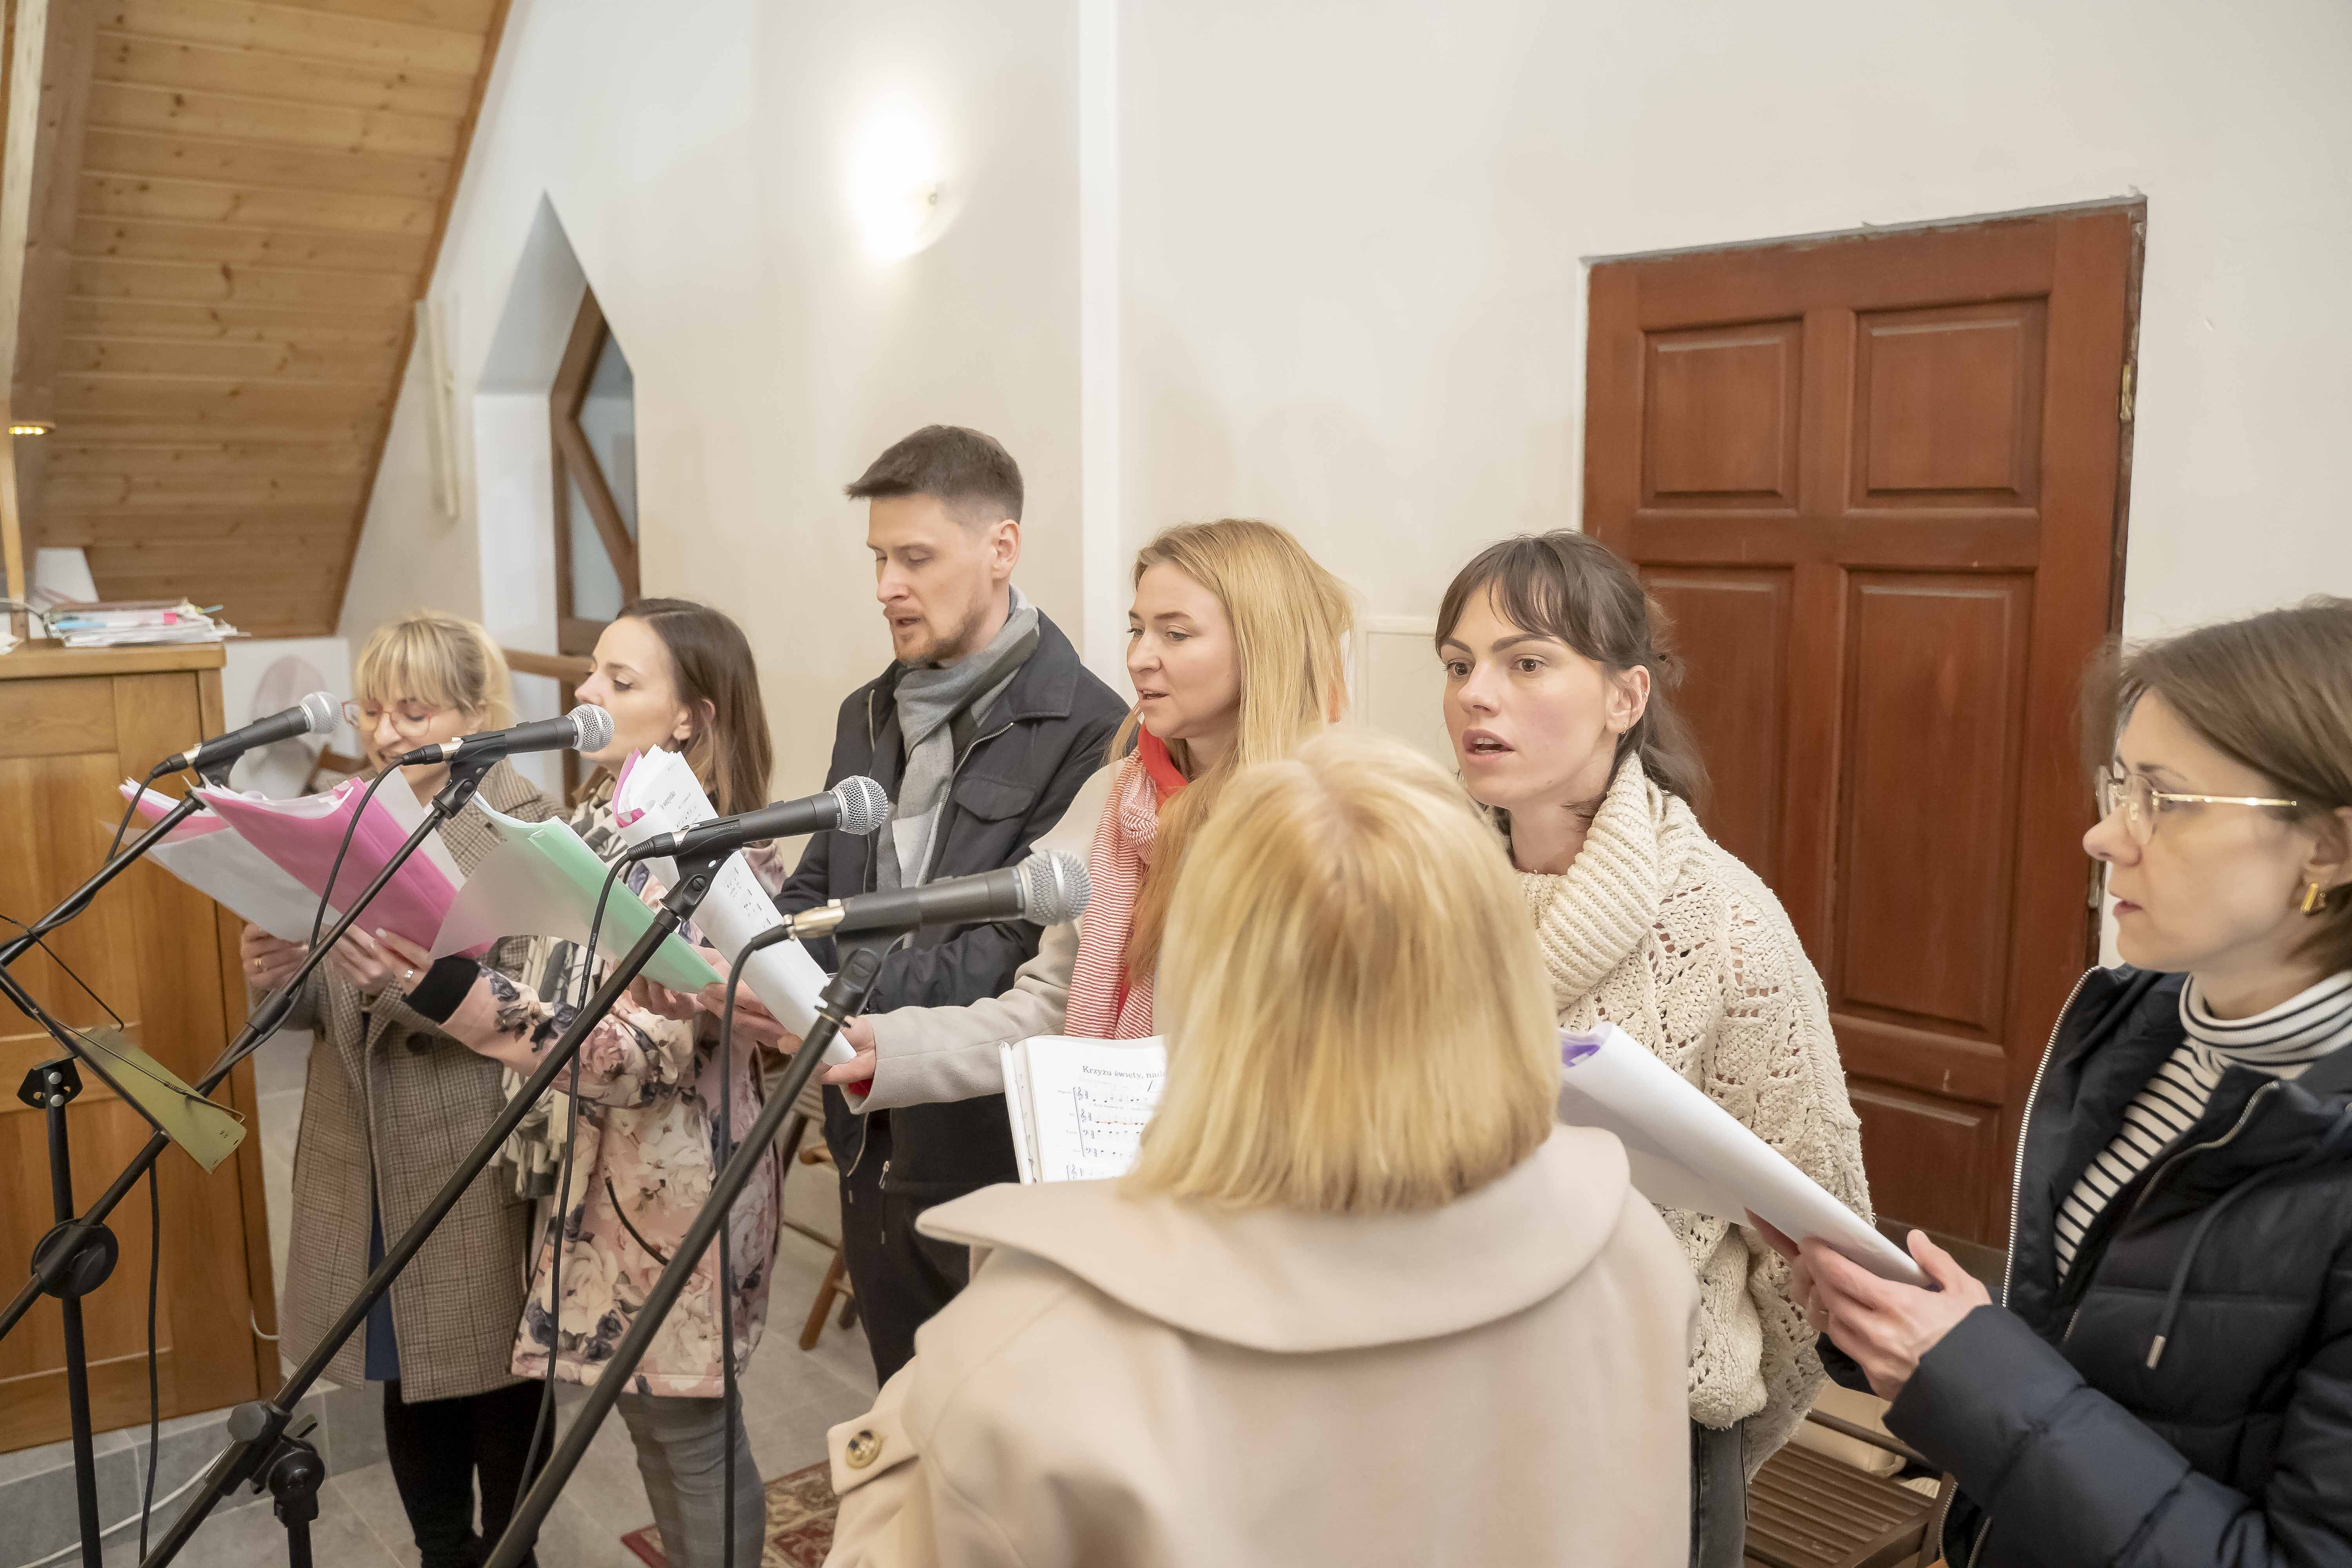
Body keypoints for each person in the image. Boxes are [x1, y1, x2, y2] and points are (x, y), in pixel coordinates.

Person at [820, 731, 1699, 1567]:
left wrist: (923, 1414)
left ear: (1208, 987)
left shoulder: (1043, 1347)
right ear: (1496, 971)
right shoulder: (1629, 1248)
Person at [1764, 597, 2352, 1568]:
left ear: (2329, 846)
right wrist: (1907, 1323)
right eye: (2120, 785)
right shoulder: (2141, 1033)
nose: (2104, 835)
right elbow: (2108, 1346)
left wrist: (1967, 1368)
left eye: (2166, 799)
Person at [1434, 531, 1869, 1568]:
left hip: (1642, 1431)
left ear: (1625, 698)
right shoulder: (1425, 892)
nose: (1475, 695)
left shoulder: (1726, 928)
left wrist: (1715, 1424)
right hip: (1444, 1394)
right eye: (1457, 664)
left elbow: (1820, 1253)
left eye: (1526, 662)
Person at [373, 599, 781, 1568]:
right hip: (603, 1189)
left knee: (691, 1438)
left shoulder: (712, 852)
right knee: (652, 1427)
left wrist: (456, 992)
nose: (587, 692)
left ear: (691, 718)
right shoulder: (598, 829)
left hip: (673, 1195)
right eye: (593, 669)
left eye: (620, 681)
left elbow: (637, 1060)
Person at [769, 425, 1126, 1383]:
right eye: (879, 558)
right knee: (899, 1400)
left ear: (1001, 548)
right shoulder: (867, 710)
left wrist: (826, 998)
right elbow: (820, 888)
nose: (887, 585)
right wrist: (761, 965)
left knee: (995, 1420)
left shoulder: (1092, 730)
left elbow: (1016, 952)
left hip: (985, 1140)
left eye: (916, 558)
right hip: (865, 1125)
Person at [815, 516, 1354, 1102]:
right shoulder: (1116, 794)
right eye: (1137, 630)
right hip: (1114, 1143)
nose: (1140, 657)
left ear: (1261, 648)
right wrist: (890, 1046)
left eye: (1176, 634)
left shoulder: (1328, 818)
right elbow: (1055, 1009)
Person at [239, 610, 555, 1568]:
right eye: (372, 710)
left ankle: (513, 1554)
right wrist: (280, 975)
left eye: (413, 713)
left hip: (469, 1145)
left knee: (497, 1382)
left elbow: (535, 1006)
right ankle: (441, 1554)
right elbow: (326, 1003)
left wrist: (403, 985)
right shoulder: (347, 814)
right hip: (365, 1144)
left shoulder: (525, 823)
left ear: (476, 711)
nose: (384, 733)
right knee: (404, 1371)